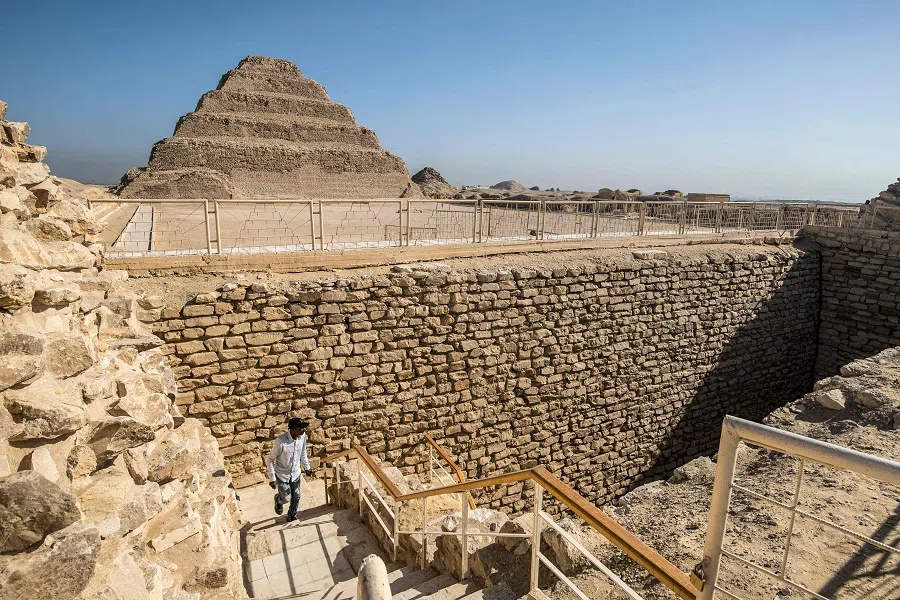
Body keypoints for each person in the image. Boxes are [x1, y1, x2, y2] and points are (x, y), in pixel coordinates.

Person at [266, 417, 313, 522]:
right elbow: (270, 459)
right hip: (282, 475)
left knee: (296, 497)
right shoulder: (281, 441)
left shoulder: (302, 437)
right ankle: (278, 500)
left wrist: (307, 467)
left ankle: (292, 515)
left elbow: (303, 453)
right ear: (292, 430)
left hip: (295, 473)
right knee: (286, 498)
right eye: (299, 428)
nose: (303, 430)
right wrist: (272, 478)